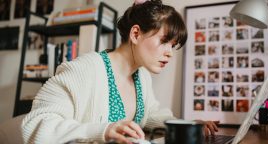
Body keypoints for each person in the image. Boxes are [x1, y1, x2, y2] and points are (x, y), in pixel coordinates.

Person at [22, 0, 218, 143]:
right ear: (135, 34)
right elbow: (36, 124)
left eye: (173, 46)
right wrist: (104, 130)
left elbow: (150, 115)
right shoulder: (84, 69)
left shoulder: (142, 76)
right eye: (164, 41)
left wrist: (186, 126)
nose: (169, 53)